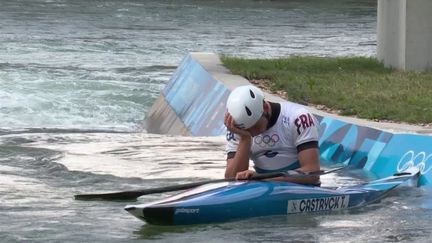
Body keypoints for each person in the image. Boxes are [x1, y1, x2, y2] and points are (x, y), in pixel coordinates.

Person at [224, 85, 320, 185]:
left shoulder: (298, 117)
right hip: (263, 185)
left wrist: (262, 178)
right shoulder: (236, 127)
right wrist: (245, 139)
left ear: (265, 108)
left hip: (299, 188)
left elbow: (312, 174)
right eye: (246, 130)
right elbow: (231, 179)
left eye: (254, 126)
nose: (251, 133)